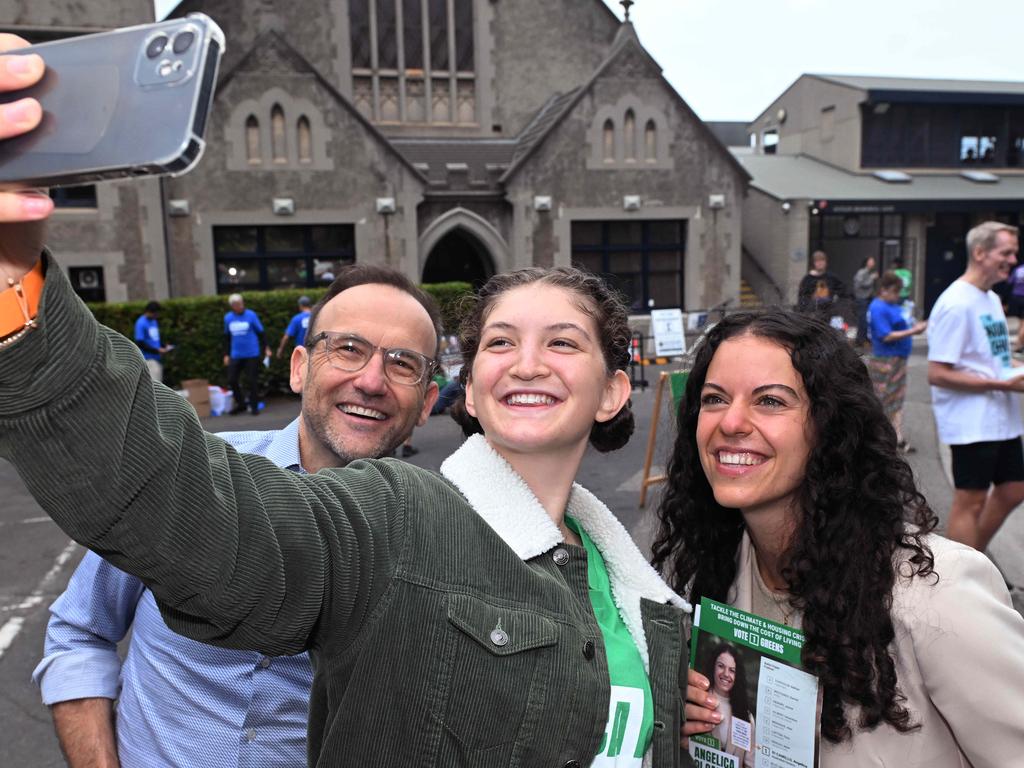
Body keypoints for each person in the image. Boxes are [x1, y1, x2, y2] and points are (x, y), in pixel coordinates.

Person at [0, 156, 691, 768]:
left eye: (564, 343)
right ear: (472, 390)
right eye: (501, 342)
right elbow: (179, 505)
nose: (530, 363)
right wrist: (16, 289)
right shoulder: (397, 518)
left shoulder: (641, 598)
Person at [31, 266, 444, 768]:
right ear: (299, 367)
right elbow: (80, 632)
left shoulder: (441, 543)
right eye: (349, 349)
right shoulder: (186, 473)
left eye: (403, 363)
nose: (372, 381)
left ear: (426, 403)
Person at [651, 309, 1024, 767]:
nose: (731, 422)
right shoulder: (718, 576)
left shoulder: (938, 594)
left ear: (830, 427)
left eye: (769, 401)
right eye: (714, 399)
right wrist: (707, 736)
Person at [927, 221, 1024, 551]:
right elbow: (937, 373)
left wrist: (1013, 371)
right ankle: (960, 581)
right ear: (980, 253)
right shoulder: (956, 303)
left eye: (1014, 252)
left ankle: (972, 561)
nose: (1013, 259)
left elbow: (994, 357)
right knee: (970, 500)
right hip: (972, 422)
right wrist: (999, 383)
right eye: (1006, 252)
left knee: (1014, 488)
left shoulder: (992, 300)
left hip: (1001, 419)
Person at [866, 271, 928, 452]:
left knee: (897, 399)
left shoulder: (894, 305)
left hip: (898, 358)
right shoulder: (878, 307)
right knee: (883, 399)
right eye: (894, 291)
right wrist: (913, 332)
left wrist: (916, 326)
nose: (897, 295)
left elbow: (905, 322)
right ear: (883, 290)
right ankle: (876, 439)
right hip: (885, 359)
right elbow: (885, 336)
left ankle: (897, 437)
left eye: (898, 292)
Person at [697, 642, 754, 768]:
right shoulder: (698, 700)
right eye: (721, 666)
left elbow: (750, 763)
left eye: (732, 670)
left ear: (737, 675)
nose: (726, 674)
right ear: (713, 667)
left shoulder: (746, 716)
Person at [223, 292, 271, 415]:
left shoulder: (251, 315)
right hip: (236, 354)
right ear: (232, 306)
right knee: (232, 380)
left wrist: (266, 347)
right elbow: (227, 337)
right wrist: (226, 354)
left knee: (251, 380)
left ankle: (254, 406)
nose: (239, 306)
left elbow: (261, 333)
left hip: (251, 353)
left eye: (240, 304)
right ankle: (241, 404)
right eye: (236, 305)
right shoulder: (228, 318)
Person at [133, 300, 172, 382]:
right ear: (150, 312)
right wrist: (157, 350)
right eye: (156, 313)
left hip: (157, 358)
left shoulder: (154, 321)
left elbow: (154, 339)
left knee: (159, 384)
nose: (157, 315)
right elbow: (140, 342)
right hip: (149, 359)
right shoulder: (141, 323)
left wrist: (163, 346)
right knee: (155, 385)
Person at [852, 255, 878, 347]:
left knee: (866, 319)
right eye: (871, 261)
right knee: (862, 319)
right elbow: (860, 284)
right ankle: (861, 339)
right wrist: (872, 278)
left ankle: (864, 338)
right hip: (862, 298)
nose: (873, 263)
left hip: (867, 298)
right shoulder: (862, 272)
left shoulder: (868, 272)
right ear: (866, 262)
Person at [1007, 261, 1024, 353]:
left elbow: (1010, 281)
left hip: (1015, 297)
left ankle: (1021, 341)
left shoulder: (1018, 269)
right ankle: (1019, 345)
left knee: (1021, 322)